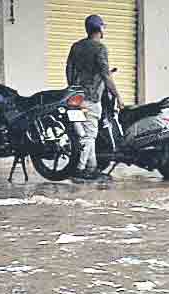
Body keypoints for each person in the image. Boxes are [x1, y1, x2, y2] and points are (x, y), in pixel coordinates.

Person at [65, 14, 123, 183]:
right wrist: (118, 96)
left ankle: (92, 167)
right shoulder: (100, 48)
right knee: (89, 135)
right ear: (99, 29)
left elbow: (69, 68)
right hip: (91, 97)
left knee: (84, 134)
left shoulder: (76, 46)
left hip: (75, 96)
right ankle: (80, 169)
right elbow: (105, 74)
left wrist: (73, 88)